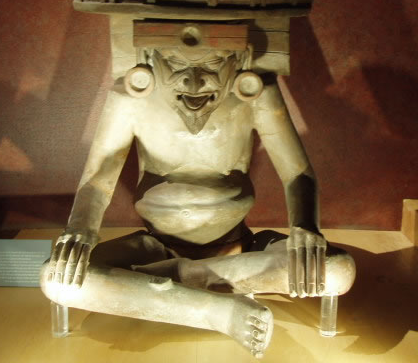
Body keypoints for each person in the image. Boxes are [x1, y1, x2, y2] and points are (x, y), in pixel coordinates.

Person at [40, 25, 355, 358]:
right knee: (56, 278)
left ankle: (180, 280)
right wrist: (80, 229)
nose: (193, 83)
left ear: (239, 60)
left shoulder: (256, 96)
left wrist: (305, 226)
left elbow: (297, 173)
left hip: (239, 248)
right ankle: (215, 311)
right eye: (176, 64)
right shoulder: (130, 100)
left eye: (213, 64)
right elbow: (97, 179)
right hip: (156, 247)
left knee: (337, 270)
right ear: (150, 57)